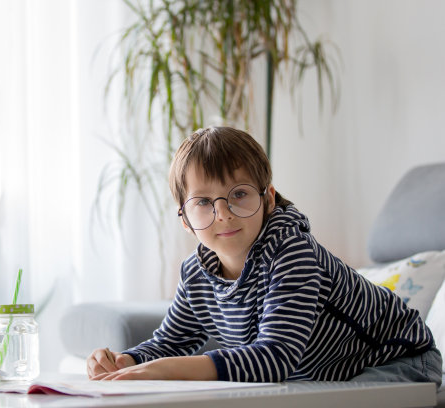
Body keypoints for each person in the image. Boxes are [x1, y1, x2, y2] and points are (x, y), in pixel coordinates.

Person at [87, 126, 442, 384]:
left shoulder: (292, 251)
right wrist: (124, 361)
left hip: (397, 360)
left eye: (239, 194)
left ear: (268, 198)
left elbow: (273, 359)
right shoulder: (196, 274)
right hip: (323, 374)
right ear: (184, 219)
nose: (223, 213)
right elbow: (170, 342)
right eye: (204, 202)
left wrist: (164, 369)